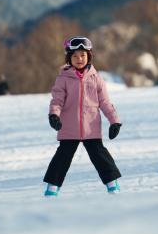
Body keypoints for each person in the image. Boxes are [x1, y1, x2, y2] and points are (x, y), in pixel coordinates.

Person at [42, 36, 123, 197]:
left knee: (100, 156)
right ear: (69, 58)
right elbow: (57, 100)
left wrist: (115, 121)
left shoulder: (96, 79)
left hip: (91, 127)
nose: (79, 59)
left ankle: (112, 184)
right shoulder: (63, 79)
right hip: (69, 127)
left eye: (82, 55)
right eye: (75, 56)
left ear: (89, 57)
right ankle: (52, 188)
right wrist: (54, 115)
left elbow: (105, 102)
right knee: (62, 157)